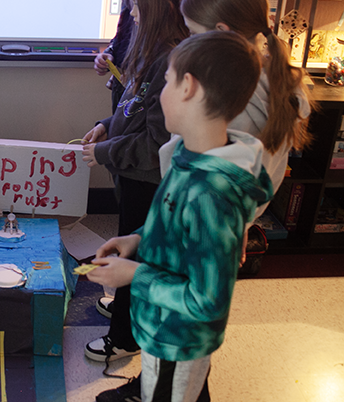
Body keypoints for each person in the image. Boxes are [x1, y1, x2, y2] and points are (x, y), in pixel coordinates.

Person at [87, 31, 273, 402]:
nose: (161, 93)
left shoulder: (213, 193)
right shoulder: (190, 152)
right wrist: (137, 238)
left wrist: (134, 274)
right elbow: (171, 217)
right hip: (163, 324)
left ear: (188, 87)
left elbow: (207, 301)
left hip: (181, 337)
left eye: (167, 81)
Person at [81, 0, 193, 364]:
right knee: (130, 250)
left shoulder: (172, 62)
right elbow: (133, 108)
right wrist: (105, 126)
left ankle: (124, 336)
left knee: (134, 255)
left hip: (147, 180)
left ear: (161, 6)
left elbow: (155, 142)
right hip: (132, 176)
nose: (131, 14)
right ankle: (128, 309)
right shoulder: (152, 52)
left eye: (136, 6)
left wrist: (105, 152)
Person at [178, 0, 315, 222]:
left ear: (221, 31)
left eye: (193, 33)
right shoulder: (277, 79)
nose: (190, 42)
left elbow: (191, 172)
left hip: (204, 224)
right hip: (233, 222)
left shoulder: (229, 98)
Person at [94, 0, 188, 112]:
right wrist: (111, 52)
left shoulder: (168, 58)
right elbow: (122, 34)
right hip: (127, 87)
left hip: (145, 85)